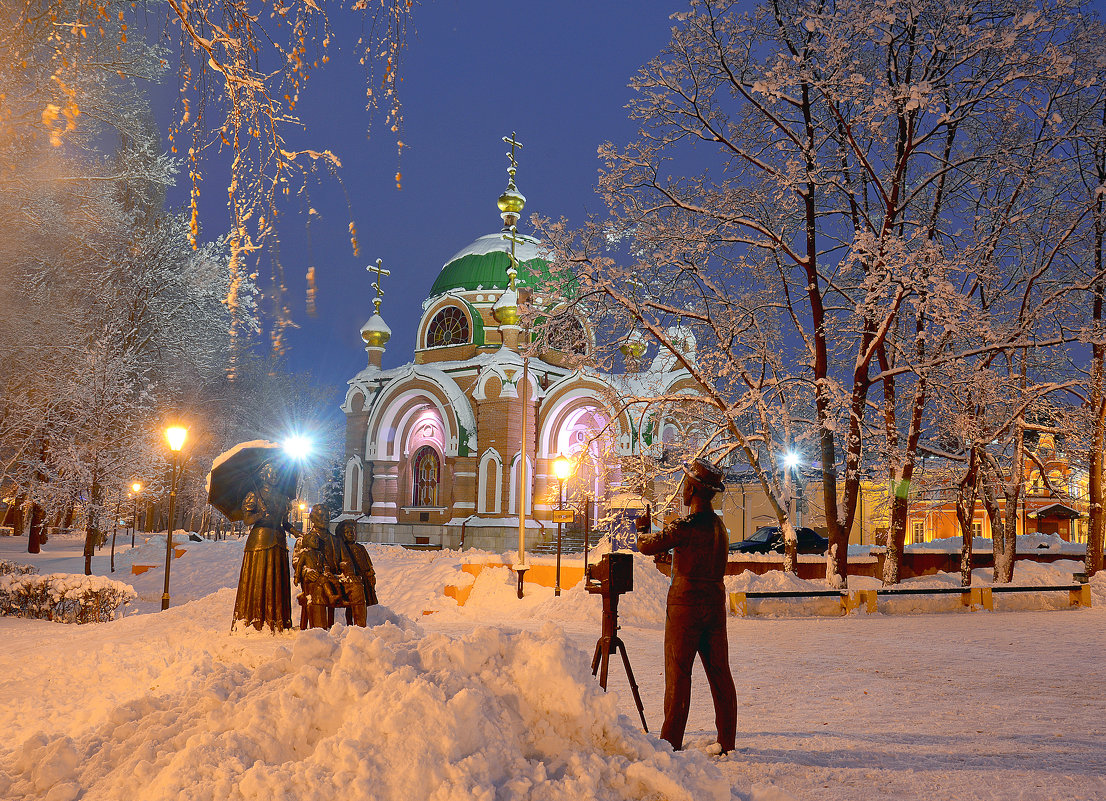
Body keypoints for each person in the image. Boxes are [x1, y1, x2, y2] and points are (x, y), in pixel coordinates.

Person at [635, 458, 737, 754]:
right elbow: (699, 560)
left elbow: (647, 545)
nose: (682, 490)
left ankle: (670, 742)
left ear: (692, 489)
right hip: (714, 605)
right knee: (720, 673)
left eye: (685, 485)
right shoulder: (720, 527)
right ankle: (727, 741)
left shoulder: (685, 525)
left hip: (685, 606)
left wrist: (642, 528)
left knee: (679, 674)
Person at [233, 463, 294, 632]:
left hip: (279, 540)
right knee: (259, 579)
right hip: (259, 540)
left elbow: (285, 522)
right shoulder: (253, 495)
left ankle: (277, 619)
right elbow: (247, 520)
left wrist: (295, 531)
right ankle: (256, 619)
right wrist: (260, 514)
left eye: (276, 473)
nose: (274, 475)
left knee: (277, 578)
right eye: (271, 472)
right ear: (263, 476)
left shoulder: (283, 498)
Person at [292, 504, 342, 629]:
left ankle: (360, 634)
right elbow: (296, 561)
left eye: (327, 516)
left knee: (357, 588)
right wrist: (305, 572)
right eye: (321, 516)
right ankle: (319, 633)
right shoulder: (303, 540)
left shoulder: (336, 540)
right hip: (312, 581)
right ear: (312, 518)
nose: (325, 518)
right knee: (318, 590)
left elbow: (345, 561)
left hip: (333, 578)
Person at [335, 520, 378, 626]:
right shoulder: (342, 548)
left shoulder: (360, 547)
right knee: (351, 605)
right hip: (351, 580)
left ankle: (360, 623)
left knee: (362, 603)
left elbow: (368, 562)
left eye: (352, 532)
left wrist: (370, 573)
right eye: (348, 532)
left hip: (364, 578)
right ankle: (350, 623)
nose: (351, 534)